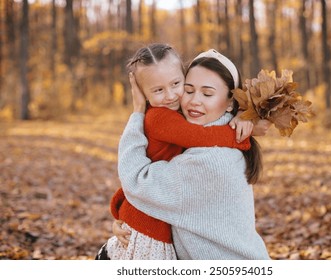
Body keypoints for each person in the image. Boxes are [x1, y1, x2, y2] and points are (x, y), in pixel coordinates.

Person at [96, 44, 268, 260]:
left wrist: (244, 123)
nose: (193, 100)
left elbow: (138, 182)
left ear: (230, 102)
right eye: (189, 90)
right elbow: (143, 186)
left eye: (207, 93)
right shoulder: (184, 128)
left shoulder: (210, 160)